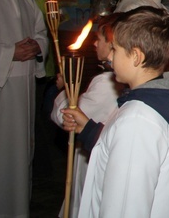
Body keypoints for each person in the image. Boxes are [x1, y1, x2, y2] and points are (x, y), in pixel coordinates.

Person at [60, 6, 169, 217]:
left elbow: (125, 206)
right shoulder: (161, 99)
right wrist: (89, 130)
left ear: (135, 56)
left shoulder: (137, 121)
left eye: (115, 49)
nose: (110, 57)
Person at [0, 0, 49, 217]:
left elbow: (41, 32)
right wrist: (8, 53)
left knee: (22, 155)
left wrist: (38, 46)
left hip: (24, 89)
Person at [50, 12, 123, 218]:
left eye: (98, 39)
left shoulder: (107, 83)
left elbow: (69, 115)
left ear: (112, 44)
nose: (94, 44)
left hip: (94, 160)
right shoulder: (113, 79)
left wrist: (65, 89)